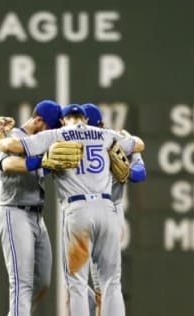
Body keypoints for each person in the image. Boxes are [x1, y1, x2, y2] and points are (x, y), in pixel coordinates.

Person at [0, 104, 144, 316]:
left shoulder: (58, 134)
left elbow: (15, 147)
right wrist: (130, 142)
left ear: (65, 120)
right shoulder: (104, 135)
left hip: (78, 211)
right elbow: (138, 145)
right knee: (112, 282)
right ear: (84, 119)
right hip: (107, 209)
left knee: (77, 284)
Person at [0, 100, 61, 316]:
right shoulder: (12, 137)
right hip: (14, 213)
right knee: (22, 284)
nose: (52, 133)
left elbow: (43, 170)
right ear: (39, 120)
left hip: (36, 217)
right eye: (51, 127)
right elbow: (8, 165)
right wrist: (41, 161)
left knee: (42, 281)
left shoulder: (38, 142)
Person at [81, 103, 147, 316]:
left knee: (96, 283)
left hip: (96, 212)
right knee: (103, 284)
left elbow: (139, 173)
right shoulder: (117, 140)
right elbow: (138, 173)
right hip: (104, 213)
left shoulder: (73, 140)